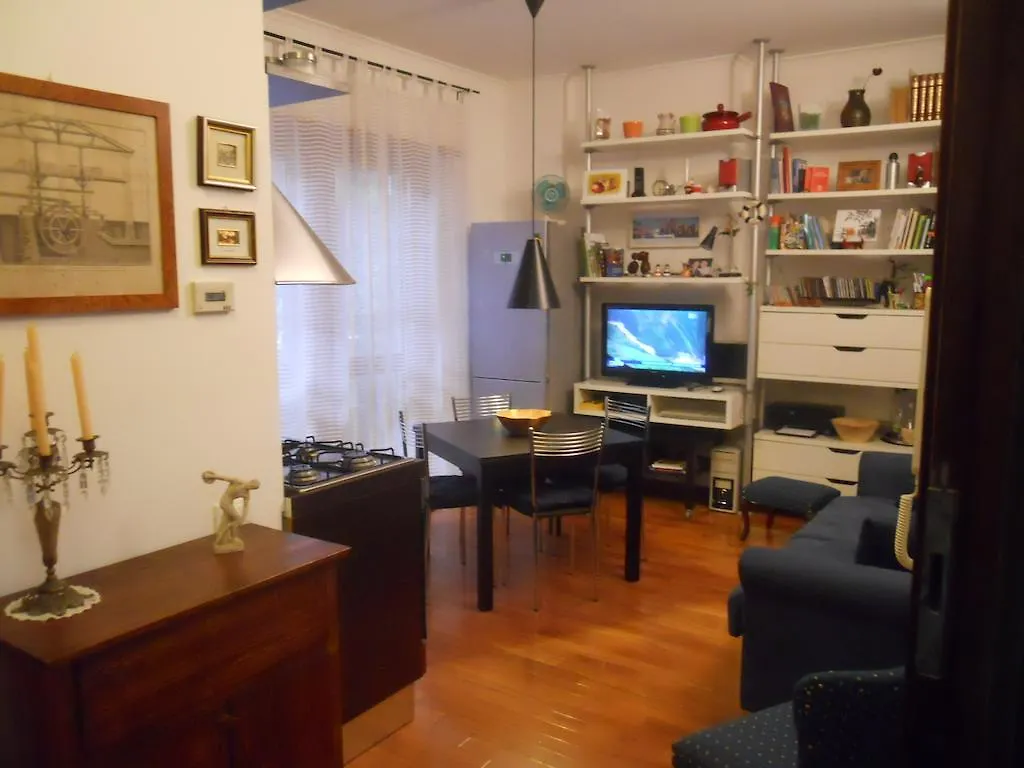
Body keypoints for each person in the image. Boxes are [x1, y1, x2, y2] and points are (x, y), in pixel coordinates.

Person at [202, 470, 261, 553]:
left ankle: (224, 538)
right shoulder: (237, 481)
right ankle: (228, 530)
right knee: (236, 519)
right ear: (250, 482)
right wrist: (211, 476)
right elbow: (223, 478)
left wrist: (243, 519)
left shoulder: (247, 494)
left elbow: (246, 507)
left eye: (253, 488)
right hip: (224, 501)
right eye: (251, 485)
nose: (250, 488)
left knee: (227, 520)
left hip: (230, 503)